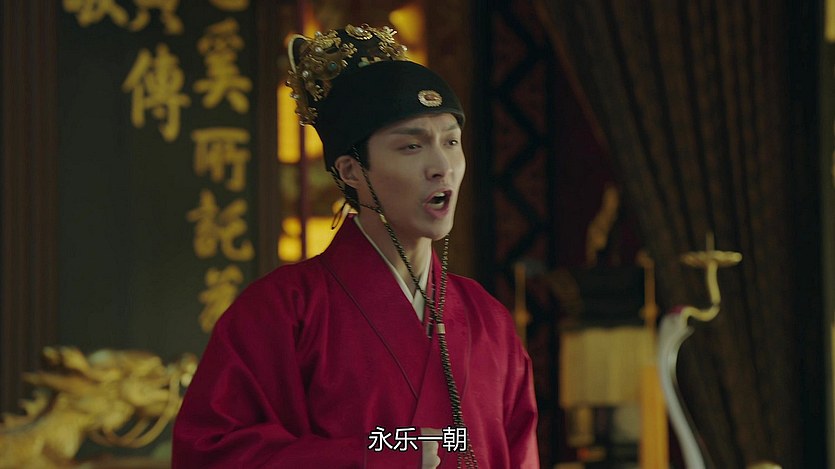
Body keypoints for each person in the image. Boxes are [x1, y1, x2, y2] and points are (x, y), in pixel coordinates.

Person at [171, 23, 539, 468]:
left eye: (451, 142)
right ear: (351, 171)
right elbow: (211, 452)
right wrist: (378, 458)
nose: (442, 166)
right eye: (411, 146)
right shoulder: (282, 312)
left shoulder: (489, 321)